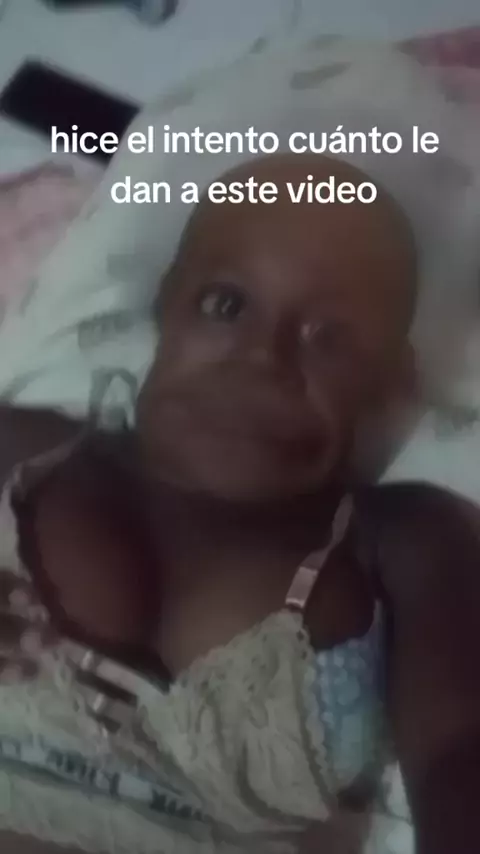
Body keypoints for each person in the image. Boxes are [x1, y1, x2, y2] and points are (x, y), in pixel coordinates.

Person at [0, 153, 478, 854]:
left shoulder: (409, 540)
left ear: (391, 379)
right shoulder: (15, 449)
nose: (263, 358)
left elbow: (461, 759)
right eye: (225, 305)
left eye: (328, 337)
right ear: (167, 302)